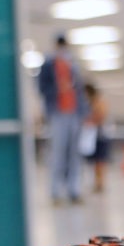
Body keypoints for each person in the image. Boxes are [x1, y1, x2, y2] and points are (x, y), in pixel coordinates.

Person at [37, 34, 86, 206]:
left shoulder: (73, 64)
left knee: (74, 154)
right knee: (57, 154)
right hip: (57, 113)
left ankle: (74, 190)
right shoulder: (49, 64)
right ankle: (55, 192)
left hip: (74, 113)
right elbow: (41, 87)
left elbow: (80, 89)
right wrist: (57, 89)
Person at [82, 83, 110, 194]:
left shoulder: (99, 102)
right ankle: (96, 183)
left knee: (100, 161)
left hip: (100, 136)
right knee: (93, 162)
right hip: (90, 136)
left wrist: (91, 120)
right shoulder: (86, 104)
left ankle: (100, 183)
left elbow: (101, 116)